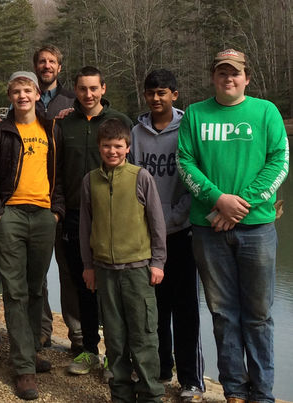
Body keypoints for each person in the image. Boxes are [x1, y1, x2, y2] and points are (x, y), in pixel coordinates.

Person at [177, 49, 289, 403]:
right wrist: (217, 199)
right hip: (209, 231)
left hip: (256, 230)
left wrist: (238, 205)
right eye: (222, 73)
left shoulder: (266, 111)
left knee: (258, 315)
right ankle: (235, 391)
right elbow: (184, 161)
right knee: (223, 314)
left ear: (246, 77)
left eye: (235, 73)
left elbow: (279, 162)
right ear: (214, 77)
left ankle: (263, 393)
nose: (229, 78)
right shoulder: (195, 114)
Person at [0, 71, 60, 400]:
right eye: (16, 91)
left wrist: (57, 212)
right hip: (11, 214)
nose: (23, 96)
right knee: (14, 291)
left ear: (37, 94)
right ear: (10, 96)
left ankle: (28, 350)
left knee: (35, 288)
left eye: (28, 90)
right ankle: (24, 368)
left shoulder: (50, 129)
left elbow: (61, 175)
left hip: (44, 216)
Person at [130, 69, 205, 402]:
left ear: (175, 94)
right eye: (150, 93)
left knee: (186, 308)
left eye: (162, 92)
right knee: (154, 309)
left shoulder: (188, 129)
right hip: (145, 236)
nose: (155, 98)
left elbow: (197, 180)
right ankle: (161, 369)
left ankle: (191, 379)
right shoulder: (136, 132)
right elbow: (130, 176)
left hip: (181, 232)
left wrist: (172, 218)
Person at [80, 118, 167, 403]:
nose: (112, 151)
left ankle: (150, 393)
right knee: (115, 339)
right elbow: (85, 227)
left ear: (128, 148)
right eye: (107, 146)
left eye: (118, 146)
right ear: (99, 148)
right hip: (105, 270)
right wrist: (89, 266)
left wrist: (158, 262)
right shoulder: (90, 180)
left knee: (143, 335)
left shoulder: (141, 177)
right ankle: (121, 393)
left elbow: (156, 223)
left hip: (138, 269)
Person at [53, 66, 133, 375]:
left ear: (103, 88)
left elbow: (133, 173)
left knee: (114, 290)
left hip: (113, 218)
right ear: (74, 90)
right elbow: (56, 170)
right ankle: (89, 349)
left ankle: (116, 354)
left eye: (93, 89)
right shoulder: (65, 124)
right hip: (74, 216)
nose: (88, 94)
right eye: (82, 89)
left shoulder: (120, 123)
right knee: (84, 284)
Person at [32, 44, 82, 353]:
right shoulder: (24, 98)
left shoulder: (72, 103)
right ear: (35, 66)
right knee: (37, 272)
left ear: (59, 68)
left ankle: (78, 336)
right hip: (32, 196)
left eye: (52, 62)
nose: (46, 65)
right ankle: (41, 332)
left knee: (70, 271)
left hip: (64, 197)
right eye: (41, 61)